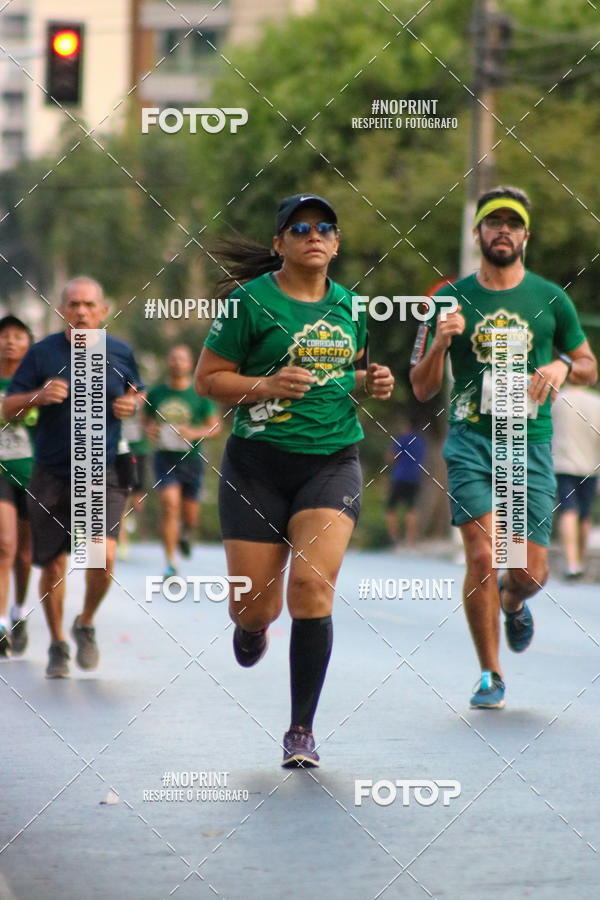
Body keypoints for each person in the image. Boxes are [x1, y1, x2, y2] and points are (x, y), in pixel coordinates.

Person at [194, 193, 394, 767]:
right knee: (255, 608)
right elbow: (210, 381)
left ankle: (300, 728)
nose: (314, 234)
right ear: (279, 242)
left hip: (331, 462)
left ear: (335, 243)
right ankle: (251, 629)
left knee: (311, 589)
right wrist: (265, 386)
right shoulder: (248, 304)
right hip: (256, 467)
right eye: (299, 227)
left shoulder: (351, 307)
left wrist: (369, 379)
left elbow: (335, 376)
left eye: (324, 227)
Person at [410, 186, 597, 710]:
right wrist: (442, 343)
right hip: (471, 440)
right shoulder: (447, 300)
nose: (503, 231)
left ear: (525, 237)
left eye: (512, 224)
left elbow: (588, 364)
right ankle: (490, 673)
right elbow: (421, 387)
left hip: (527, 443)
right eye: (493, 223)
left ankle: (513, 603)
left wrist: (562, 365)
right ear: (478, 235)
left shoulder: (550, 299)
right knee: (482, 554)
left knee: (529, 571)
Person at [2, 276, 144, 678]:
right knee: (54, 564)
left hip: (102, 473)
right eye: (74, 305)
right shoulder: (41, 354)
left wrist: (131, 404)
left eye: (89, 305)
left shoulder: (119, 351)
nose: (81, 312)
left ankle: (85, 623)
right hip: (51, 474)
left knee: (103, 555)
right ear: (63, 310)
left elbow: (138, 391)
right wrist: (37, 396)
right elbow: (9, 405)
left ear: (102, 311)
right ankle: (58, 643)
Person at [144, 344, 221, 579]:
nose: (177, 363)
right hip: (165, 458)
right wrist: (151, 430)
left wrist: (195, 433)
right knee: (170, 506)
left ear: (190, 364)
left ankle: (187, 533)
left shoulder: (199, 394)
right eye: (173, 358)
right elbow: (145, 421)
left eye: (182, 359)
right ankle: (170, 563)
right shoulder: (156, 393)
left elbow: (216, 426)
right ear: (168, 363)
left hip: (192, 460)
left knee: (190, 516)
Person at [0, 316, 35, 657]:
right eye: (5, 336)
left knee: (24, 555)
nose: (10, 341)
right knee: (4, 544)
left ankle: (18, 611)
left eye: (18, 336)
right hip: (1, 475)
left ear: (28, 343)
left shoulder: (38, 381)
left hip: (33, 474)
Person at [551, 385, 600, 578]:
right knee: (585, 514)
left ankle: (572, 564)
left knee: (568, 509)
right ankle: (581, 559)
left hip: (564, 464)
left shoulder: (557, 400)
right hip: (591, 465)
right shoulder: (597, 401)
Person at [385, 415, 427, 546]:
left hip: (399, 477)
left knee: (391, 508)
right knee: (412, 508)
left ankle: (395, 538)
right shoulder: (420, 442)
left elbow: (391, 458)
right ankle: (410, 539)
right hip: (414, 477)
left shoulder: (401, 440)